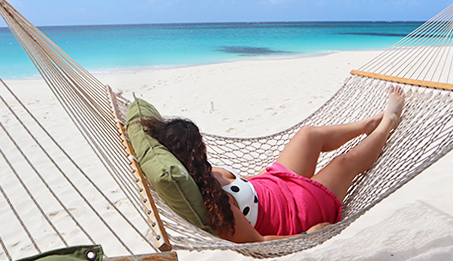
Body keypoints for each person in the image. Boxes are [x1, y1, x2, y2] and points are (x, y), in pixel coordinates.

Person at [143, 86, 405, 243]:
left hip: (274, 184)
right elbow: (259, 244)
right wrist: (307, 235)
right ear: (195, 154)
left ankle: (366, 125)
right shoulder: (218, 210)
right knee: (343, 163)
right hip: (295, 212)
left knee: (308, 135)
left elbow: (249, 191)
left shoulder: (205, 174)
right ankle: (387, 123)